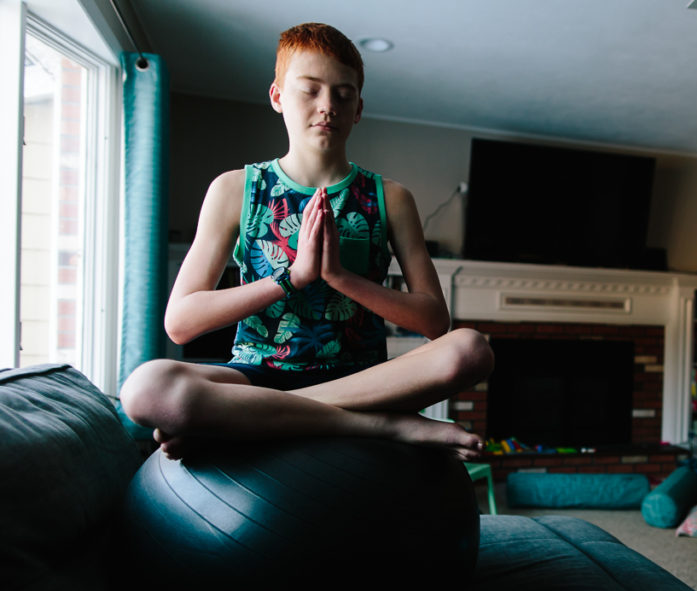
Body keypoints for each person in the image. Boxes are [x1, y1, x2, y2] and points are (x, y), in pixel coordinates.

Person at [121, 23, 493, 460]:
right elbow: (181, 322)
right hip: (257, 376)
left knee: (471, 350)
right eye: (310, 90)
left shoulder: (391, 198)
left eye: (343, 94)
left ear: (358, 108)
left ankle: (255, 420)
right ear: (277, 96)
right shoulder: (234, 189)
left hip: (363, 381)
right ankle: (381, 426)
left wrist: (339, 277)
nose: (327, 105)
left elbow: (433, 322)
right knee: (146, 388)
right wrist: (292, 277)